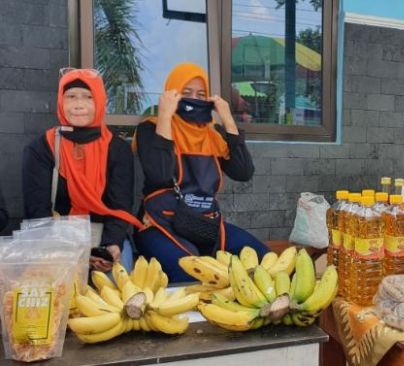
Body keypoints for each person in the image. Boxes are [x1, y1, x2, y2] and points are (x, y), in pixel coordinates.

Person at [133, 63, 268, 282]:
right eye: (185, 93)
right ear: (171, 93)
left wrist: (228, 120)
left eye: (201, 94)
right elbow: (159, 174)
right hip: (159, 224)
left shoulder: (213, 134)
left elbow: (243, 171)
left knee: (265, 261)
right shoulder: (151, 128)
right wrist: (166, 117)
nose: (193, 99)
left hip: (206, 224)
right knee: (192, 274)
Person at [22, 68, 143, 272]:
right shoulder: (42, 148)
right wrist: (61, 254)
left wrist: (111, 245)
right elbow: (37, 211)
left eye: (88, 97)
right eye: (71, 96)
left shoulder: (117, 149)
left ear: (100, 101)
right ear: (61, 101)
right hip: (55, 239)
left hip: (103, 237)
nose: (78, 104)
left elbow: (120, 205)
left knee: (115, 287)